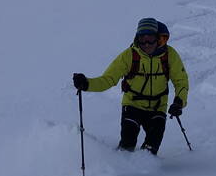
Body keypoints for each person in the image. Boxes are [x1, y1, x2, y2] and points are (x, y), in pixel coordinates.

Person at [72, 17, 189, 155]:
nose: (146, 44)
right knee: (127, 145)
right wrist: (87, 84)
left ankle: (149, 172)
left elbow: (181, 81)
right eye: (142, 39)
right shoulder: (129, 56)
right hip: (133, 105)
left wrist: (178, 102)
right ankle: (120, 166)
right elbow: (108, 79)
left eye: (150, 38)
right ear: (137, 38)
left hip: (158, 107)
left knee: (151, 149)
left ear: (158, 38)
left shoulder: (169, 55)